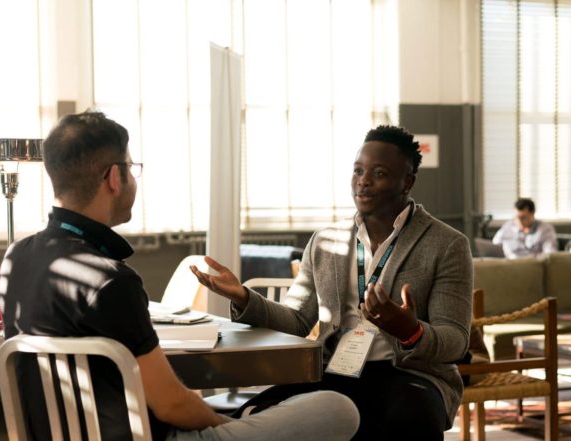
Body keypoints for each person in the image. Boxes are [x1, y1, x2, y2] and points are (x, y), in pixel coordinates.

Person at [0, 111, 359, 441]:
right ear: (113, 177)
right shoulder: (112, 281)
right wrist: (233, 429)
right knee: (337, 408)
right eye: (131, 167)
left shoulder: (17, 257)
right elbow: (173, 406)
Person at [191, 125, 473, 440]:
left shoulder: (447, 244)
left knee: (402, 421)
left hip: (410, 375)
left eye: (378, 173)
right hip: (337, 370)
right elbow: (297, 320)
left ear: (407, 181)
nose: (363, 181)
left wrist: (411, 332)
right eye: (357, 171)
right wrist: (245, 298)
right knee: (258, 414)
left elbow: (456, 340)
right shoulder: (327, 241)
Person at [492, 197, 558, 259]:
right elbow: (494, 245)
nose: (519, 222)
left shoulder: (545, 229)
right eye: (517, 218)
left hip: (531, 264)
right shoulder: (508, 226)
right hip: (508, 264)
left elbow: (550, 254)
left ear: (532, 213)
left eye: (523, 218)